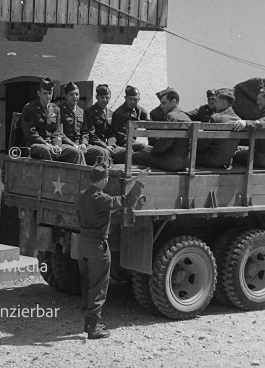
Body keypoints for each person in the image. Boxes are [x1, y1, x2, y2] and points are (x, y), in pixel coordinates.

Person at [76, 165, 146, 339]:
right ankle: (93, 326)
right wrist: (140, 183)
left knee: (87, 282)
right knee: (99, 286)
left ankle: (88, 317)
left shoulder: (82, 196)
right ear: (104, 180)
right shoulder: (102, 199)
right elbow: (127, 201)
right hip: (97, 246)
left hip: (83, 242)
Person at [20, 77, 81, 164]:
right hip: (35, 145)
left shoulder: (56, 109)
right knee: (47, 151)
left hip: (52, 144)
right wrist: (46, 144)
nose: (48, 96)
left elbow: (58, 131)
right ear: (39, 93)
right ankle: (52, 177)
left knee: (75, 152)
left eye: (50, 93)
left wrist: (57, 145)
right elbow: (30, 133)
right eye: (45, 93)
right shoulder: (30, 108)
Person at [132, 90, 191, 171]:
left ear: (173, 101)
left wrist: (152, 151)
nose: (161, 106)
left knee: (136, 156)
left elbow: (165, 142)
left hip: (171, 162)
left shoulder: (171, 116)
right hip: (186, 162)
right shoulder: (187, 117)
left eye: (164, 103)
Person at [196, 88, 240, 168]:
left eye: (216, 101)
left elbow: (202, 145)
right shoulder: (238, 120)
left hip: (210, 160)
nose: (214, 104)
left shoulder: (216, 118)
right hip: (227, 162)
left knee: (186, 154)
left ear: (223, 103)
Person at [81, 84, 118, 165]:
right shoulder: (89, 112)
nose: (105, 100)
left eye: (107, 97)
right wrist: (105, 146)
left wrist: (111, 144)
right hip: (95, 145)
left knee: (126, 152)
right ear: (96, 97)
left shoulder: (111, 113)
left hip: (108, 145)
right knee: (104, 153)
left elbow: (112, 133)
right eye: (102, 97)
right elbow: (91, 134)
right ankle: (104, 173)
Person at [111, 85, 150, 155]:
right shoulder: (119, 113)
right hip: (122, 144)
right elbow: (121, 137)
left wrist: (148, 117)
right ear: (125, 98)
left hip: (132, 142)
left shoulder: (137, 109)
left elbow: (146, 115)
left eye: (135, 99)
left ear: (139, 100)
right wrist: (136, 143)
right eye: (130, 99)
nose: (133, 102)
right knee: (143, 147)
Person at [233, 87, 265, 167]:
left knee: (231, 154)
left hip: (261, 158)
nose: (257, 102)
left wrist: (246, 123)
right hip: (260, 153)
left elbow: (262, 123)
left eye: (260, 99)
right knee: (239, 149)